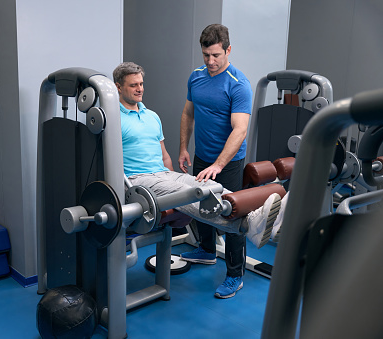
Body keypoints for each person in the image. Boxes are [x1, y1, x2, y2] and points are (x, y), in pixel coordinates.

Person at [113, 62, 286, 285]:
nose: (140, 89)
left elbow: (163, 152)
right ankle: (248, 224)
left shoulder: (151, 116)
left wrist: (172, 175)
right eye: (133, 85)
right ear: (118, 87)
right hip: (138, 180)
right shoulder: (112, 118)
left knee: (204, 184)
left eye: (142, 84)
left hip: (163, 173)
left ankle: (261, 214)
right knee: (191, 192)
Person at [178, 24, 253, 299]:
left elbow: (240, 130)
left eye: (216, 55)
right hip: (202, 156)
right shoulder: (196, 77)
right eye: (206, 55)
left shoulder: (239, 84)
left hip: (229, 162)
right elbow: (188, 113)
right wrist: (184, 148)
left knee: (232, 216)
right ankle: (207, 250)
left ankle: (235, 275)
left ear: (228, 50)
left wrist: (219, 165)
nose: (210, 61)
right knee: (201, 206)